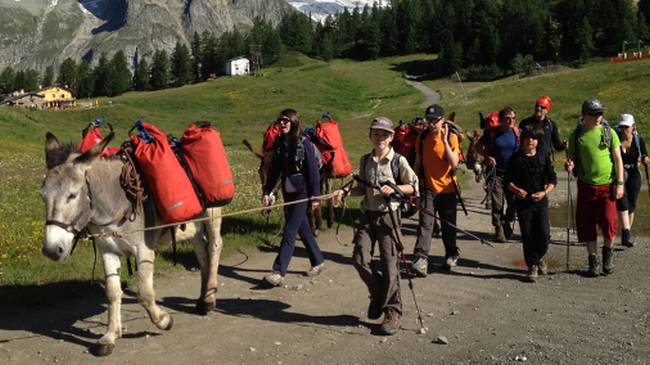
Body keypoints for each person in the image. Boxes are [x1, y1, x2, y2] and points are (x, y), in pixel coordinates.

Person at [333, 117, 418, 335]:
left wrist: (396, 188)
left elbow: (414, 186)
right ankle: (379, 294)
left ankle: (392, 311)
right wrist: (344, 193)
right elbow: (361, 188)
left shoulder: (398, 161)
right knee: (359, 259)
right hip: (367, 216)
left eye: (384, 134)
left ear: (391, 137)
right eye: (376, 133)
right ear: (370, 136)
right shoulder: (365, 160)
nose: (380, 138)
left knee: (390, 264)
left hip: (389, 217)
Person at [261, 109, 325, 286]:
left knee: (289, 230)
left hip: (302, 193)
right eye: (279, 121)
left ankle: (278, 271)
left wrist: (315, 197)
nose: (281, 124)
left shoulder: (304, 144)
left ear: (294, 122)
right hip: (288, 191)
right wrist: (267, 192)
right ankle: (318, 260)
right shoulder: (279, 143)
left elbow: (313, 172)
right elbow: (274, 171)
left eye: (285, 121)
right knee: (302, 228)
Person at [565, 99, 625, 277]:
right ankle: (593, 260)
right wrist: (570, 165)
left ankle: (608, 253)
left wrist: (620, 183)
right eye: (594, 114)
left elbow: (617, 159)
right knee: (587, 223)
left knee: (609, 221)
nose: (598, 117)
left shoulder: (609, 132)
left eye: (600, 114)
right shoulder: (576, 136)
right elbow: (573, 160)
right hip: (586, 185)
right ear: (584, 116)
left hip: (608, 185)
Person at [410, 104, 462, 276]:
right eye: (428, 120)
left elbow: (454, 163)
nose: (431, 124)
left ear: (443, 120)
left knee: (448, 227)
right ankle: (421, 258)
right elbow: (418, 161)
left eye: (435, 120)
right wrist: (413, 183)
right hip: (427, 188)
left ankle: (451, 253)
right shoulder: (423, 137)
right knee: (425, 224)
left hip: (447, 190)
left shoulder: (452, 137)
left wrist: (445, 141)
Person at [505, 125, 557, 282]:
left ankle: (538, 257)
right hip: (523, 204)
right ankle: (532, 265)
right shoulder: (515, 158)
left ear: (538, 141)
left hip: (540, 202)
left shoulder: (543, 156)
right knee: (527, 235)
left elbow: (552, 179)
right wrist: (515, 190)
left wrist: (544, 192)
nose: (530, 141)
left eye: (534, 138)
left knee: (544, 235)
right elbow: (507, 180)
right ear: (522, 140)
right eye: (527, 137)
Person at [475, 106, 520, 242]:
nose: (511, 121)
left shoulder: (518, 133)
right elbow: (477, 146)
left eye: (513, 118)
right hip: (496, 174)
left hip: (513, 175)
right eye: (507, 118)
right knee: (497, 203)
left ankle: (508, 220)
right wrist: (487, 157)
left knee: (513, 203)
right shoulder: (492, 133)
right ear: (501, 120)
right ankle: (498, 227)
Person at [614, 113, 649, 247]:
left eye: (626, 126)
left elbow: (645, 155)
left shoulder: (639, 140)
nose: (624, 129)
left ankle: (625, 235)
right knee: (622, 202)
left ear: (633, 127)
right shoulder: (615, 139)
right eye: (622, 126)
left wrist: (645, 159)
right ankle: (627, 232)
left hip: (634, 175)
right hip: (620, 175)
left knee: (632, 205)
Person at [518, 96, 567, 160]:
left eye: (542, 107)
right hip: (527, 161)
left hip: (545, 162)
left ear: (547, 110)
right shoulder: (525, 123)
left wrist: (563, 145)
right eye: (537, 106)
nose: (538, 108)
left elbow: (557, 146)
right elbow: (518, 142)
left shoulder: (551, 125)